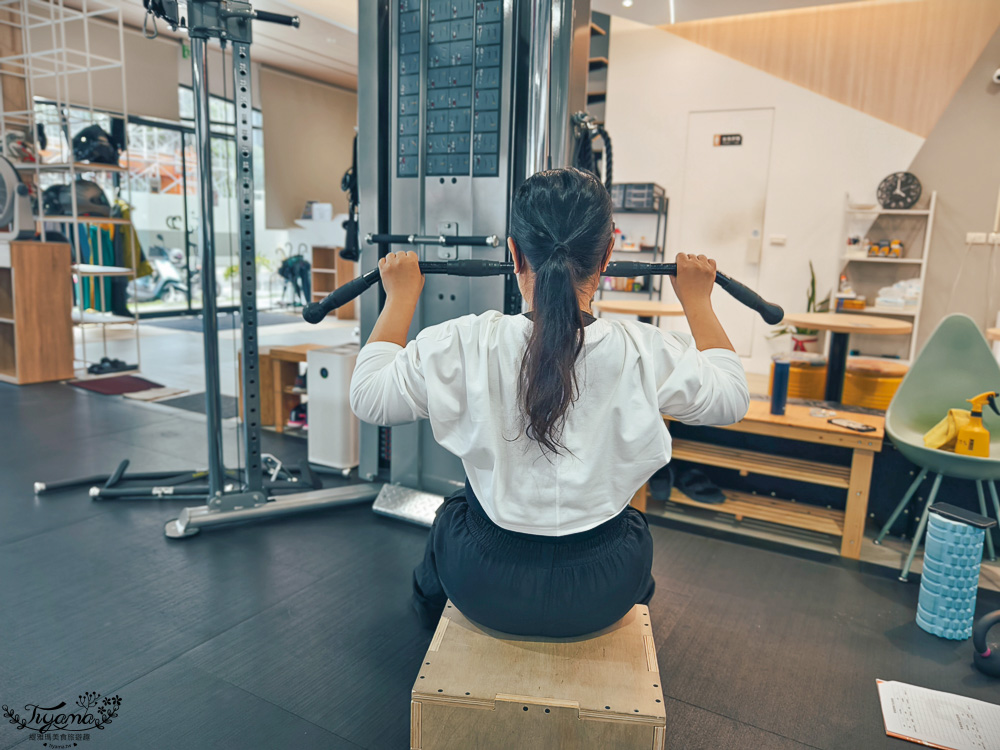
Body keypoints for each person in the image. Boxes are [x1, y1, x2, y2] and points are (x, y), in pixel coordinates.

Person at [350, 167, 749, 638]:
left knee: (455, 510)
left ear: (514, 253)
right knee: (632, 526)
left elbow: (369, 396)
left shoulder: (465, 340)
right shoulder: (647, 348)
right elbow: (731, 398)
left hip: (484, 583)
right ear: (608, 255)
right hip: (603, 589)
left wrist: (399, 296)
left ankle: (425, 610)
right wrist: (698, 300)